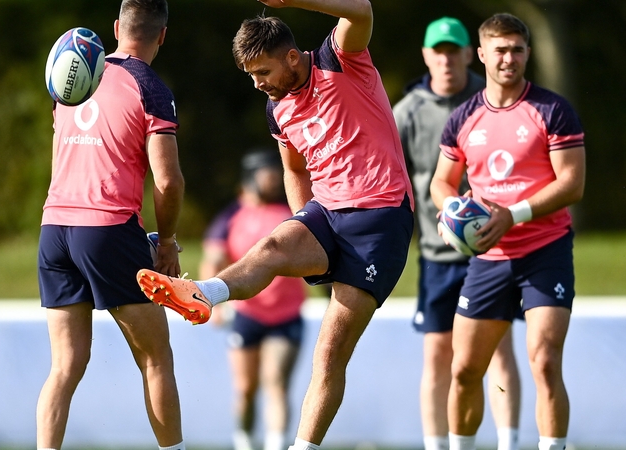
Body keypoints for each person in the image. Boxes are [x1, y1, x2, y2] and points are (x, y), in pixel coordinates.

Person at [137, 0, 414, 448]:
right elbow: (295, 170)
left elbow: (361, 10)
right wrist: (305, 225)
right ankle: (202, 293)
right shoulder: (277, 110)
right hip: (326, 213)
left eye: (262, 72)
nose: (257, 84)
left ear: (290, 57)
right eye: (250, 76)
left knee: (328, 355)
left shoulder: (339, 59)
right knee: (270, 246)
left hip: (380, 219)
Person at [430, 13, 585, 450]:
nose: (509, 58)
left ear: (528, 54)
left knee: (544, 361)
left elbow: (572, 182)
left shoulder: (552, 110)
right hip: (489, 258)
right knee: (464, 370)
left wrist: (511, 215)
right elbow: (441, 183)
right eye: (500, 49)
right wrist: (450, 212)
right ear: (480, 54)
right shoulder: (463, 118)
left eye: (517, 49)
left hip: (545, 249)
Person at [35, 1, 187, 449]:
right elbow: (168, 180)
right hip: (107, 229)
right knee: (156, 358)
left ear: (117, 28)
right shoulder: (150, 86)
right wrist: (169, 240)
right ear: (162, 36)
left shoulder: (69, 75)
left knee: (65, 365)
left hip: (54, 228)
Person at [392, 17, 522, 450]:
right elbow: (393, 180)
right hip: (436, 253)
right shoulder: (407, 112)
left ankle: (510, 443)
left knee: (498, 351)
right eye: (438, 50)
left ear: (471, 55)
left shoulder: (496, 102)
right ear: (427, 56)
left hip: (496, 252)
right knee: (437, 356)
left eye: (454, 50)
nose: (446, 59)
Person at [200, 150, 307, 450]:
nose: (273, 180)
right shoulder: (232, 216)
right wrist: (214, 301)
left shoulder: (290, 213)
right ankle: (244, 441)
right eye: (267, 174)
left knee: (276, 382)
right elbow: (213, 258)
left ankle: (275, 444)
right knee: (246, 388)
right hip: (247, 315)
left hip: (286, 314)